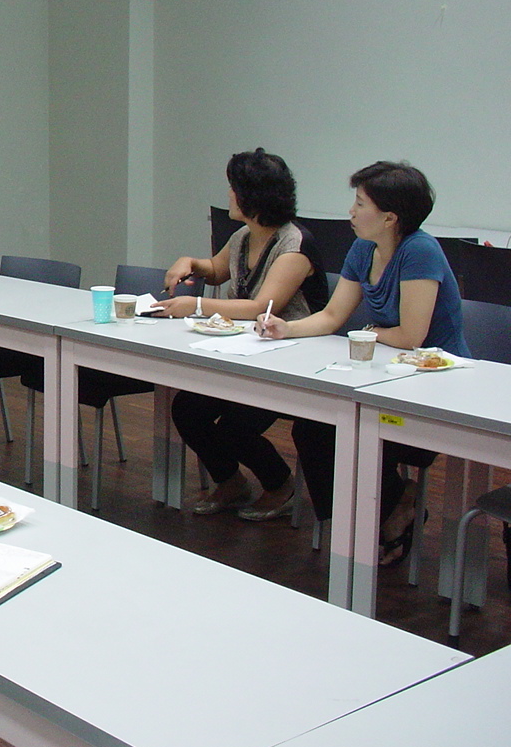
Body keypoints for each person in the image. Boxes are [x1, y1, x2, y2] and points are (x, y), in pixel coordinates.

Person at [257, 161, 468, 565]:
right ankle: (354, 524)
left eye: (359, 204)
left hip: (436, 383)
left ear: (390, 218)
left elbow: (412, 336)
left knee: (352, 433)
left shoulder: (420, 250)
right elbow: (333, 316)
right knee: (313, 429)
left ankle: (387, 513)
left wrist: (368, 331)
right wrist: (288, 328)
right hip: (388, 372)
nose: (350, 212)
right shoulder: (362, 248)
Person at [152, 149, 328, 520]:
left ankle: (279, 484)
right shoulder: (245, 235)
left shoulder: (295, 245)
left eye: (233, 188)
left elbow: (263, 307)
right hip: (246, 352)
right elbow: (216, 270)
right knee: (187, 409)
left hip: (292, 357)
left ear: (252, 195)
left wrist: (197, 305)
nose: (229, 195)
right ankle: (231, 483)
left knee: (235, 427)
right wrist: (190, 263)